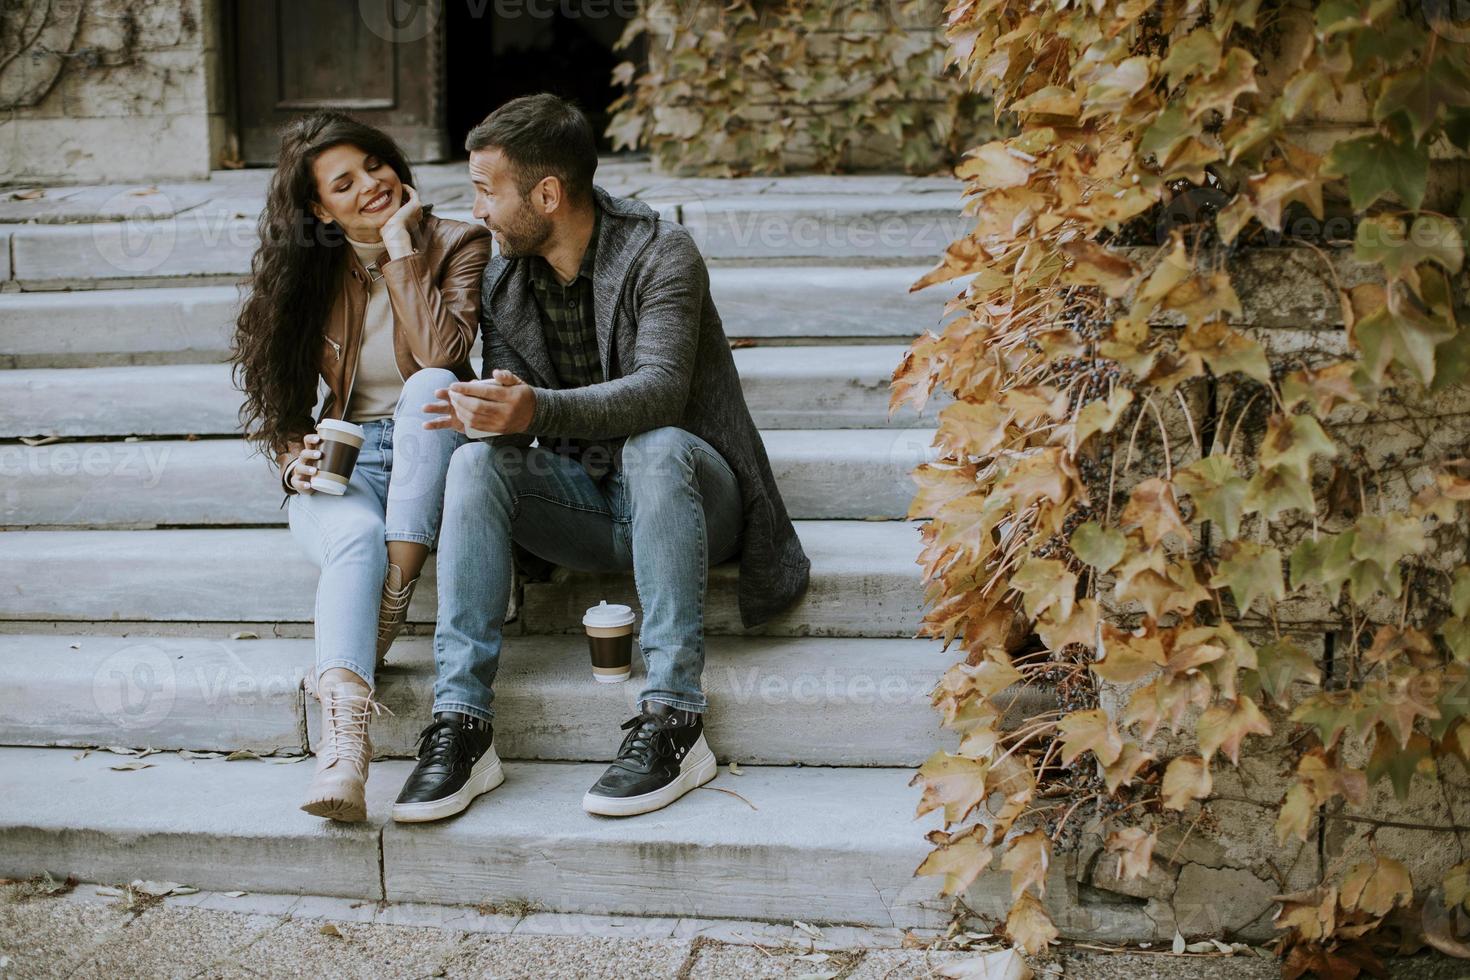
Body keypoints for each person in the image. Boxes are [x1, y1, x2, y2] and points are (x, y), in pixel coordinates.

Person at [390, 94, 811, 823]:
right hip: (588, 506)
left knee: (655, 447)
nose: (478, 211)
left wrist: (537, 409)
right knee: (475, 464)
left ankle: (676, 717)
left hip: (695, 497)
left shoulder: (659, 251)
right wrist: (488, 413)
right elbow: (524, 417)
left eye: (487, 191)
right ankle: (462, 725)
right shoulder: (502, 276)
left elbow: (659, 391)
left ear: (547, 194)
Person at [231, 111, 491, 822]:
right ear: (319, 207)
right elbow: (281, 403)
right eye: (345, 183)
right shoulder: (306, 270)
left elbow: (441, 354)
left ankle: (392, 592)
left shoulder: (458, 241)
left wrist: (401, 249)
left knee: (431, 387)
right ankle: (344, 750)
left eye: (375, 164)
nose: (372, 184)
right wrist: (295, 462)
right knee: (350, 539)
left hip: (430, 444)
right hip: (349, 455)